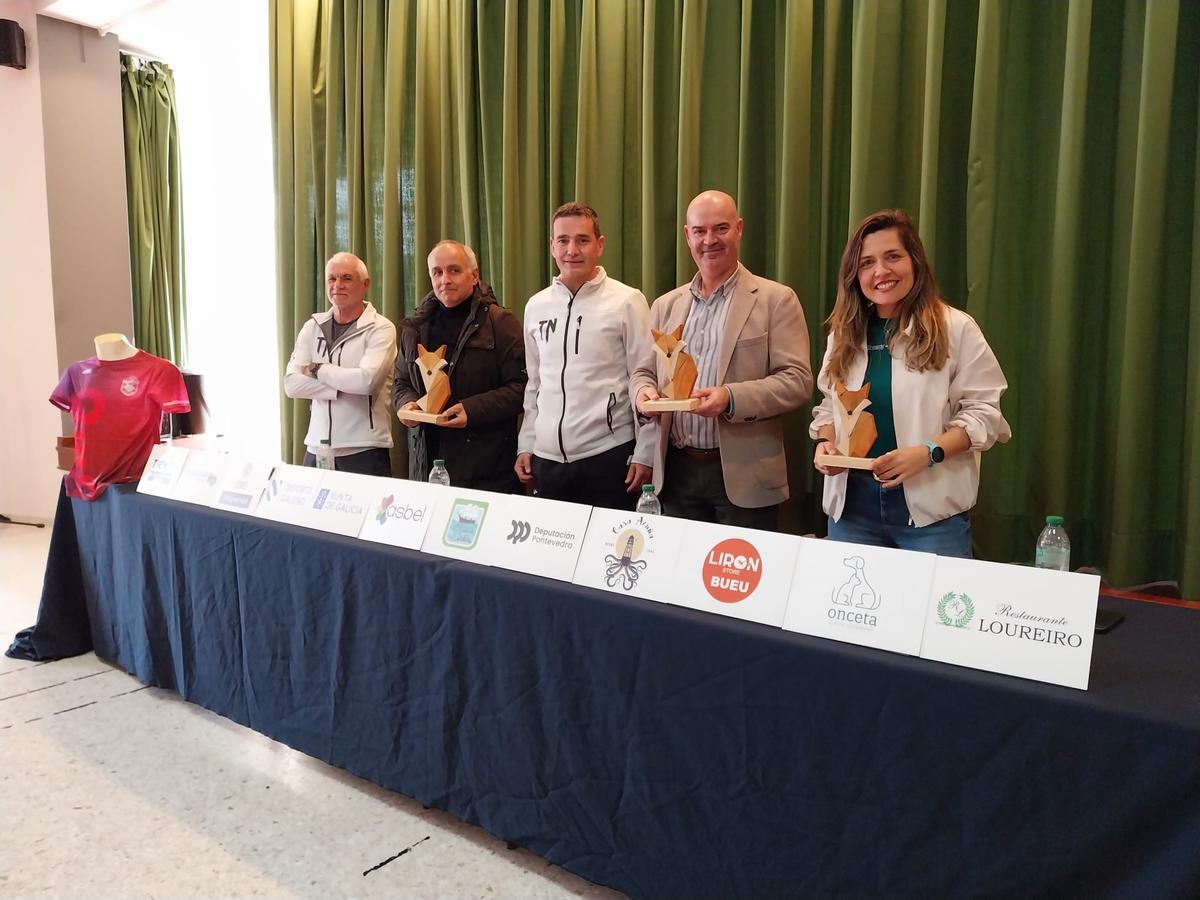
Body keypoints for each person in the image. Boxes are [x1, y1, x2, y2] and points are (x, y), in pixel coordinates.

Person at [810, 209, 1011, 557]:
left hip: (932, 519)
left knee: (932, 613)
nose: (881, 272)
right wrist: (826, 444)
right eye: (867, 263)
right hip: (852, 513)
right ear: (854, 275)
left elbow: (985, 415)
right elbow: (830, 405)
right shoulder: (843, 334)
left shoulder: (956, 328)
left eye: (893, 257)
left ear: (915, 261)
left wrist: (928, 453)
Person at [631, 190, 813, 529]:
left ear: (739, 229)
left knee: (740, 582)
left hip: (745, 478)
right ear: (688, 235)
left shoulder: (777, 300)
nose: (709, 240)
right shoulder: (665, 306)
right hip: (676, 474)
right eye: (699, 231)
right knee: (676, 580)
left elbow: (798, 381)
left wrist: (730, 398)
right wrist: (642, 393)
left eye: (721, 229)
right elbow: (644, 371)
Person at [515, 202, 655, 510]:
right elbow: (535, 385)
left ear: (599, 245)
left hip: (609, 457)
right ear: (552, 246)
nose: (572, 250)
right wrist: (527, 443)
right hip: (547, 461)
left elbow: (645, 379)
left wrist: (647, 451)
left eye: (582, 240)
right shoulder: (535, 307)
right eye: (562, 240)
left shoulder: (627, 301)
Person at [394, 240, 526, 492]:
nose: (445, 279)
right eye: (437, 272)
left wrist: (471, 410)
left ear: (474, 275)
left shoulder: (501, 323)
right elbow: (401, 383)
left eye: (454, 270)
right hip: (427, 468)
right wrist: (407, 405)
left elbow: (521, 389)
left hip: (487, 472)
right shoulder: (414, 328)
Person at [284, 252, 397, 476]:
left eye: (346, 278)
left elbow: (366, 382)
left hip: (364, 450)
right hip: (317, 448)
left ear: (365, 284)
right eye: (331, 279)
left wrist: (317, 369)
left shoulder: (381, 328)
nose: (338, 285)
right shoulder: (312, 326)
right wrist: (344, 385)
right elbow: (291, 385)